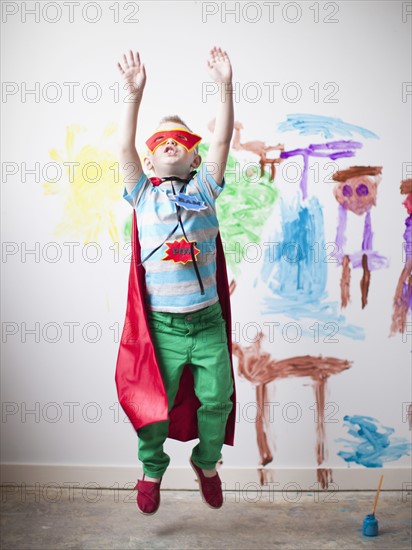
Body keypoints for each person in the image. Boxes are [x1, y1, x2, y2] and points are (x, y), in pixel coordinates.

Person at [115, 47, 236, 515]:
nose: (170, 143)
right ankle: (151, 466)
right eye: (160, 140)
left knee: (217, 399)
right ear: (149, 161)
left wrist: (225, 85)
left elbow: (222, 141)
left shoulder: (204, 192)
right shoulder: (143, 196)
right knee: (151, 406)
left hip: (206, 323)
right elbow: (124, 146)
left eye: (180, 140)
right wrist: (134, 94)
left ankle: (207, 462)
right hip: (162, 327)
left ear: (193, 159)